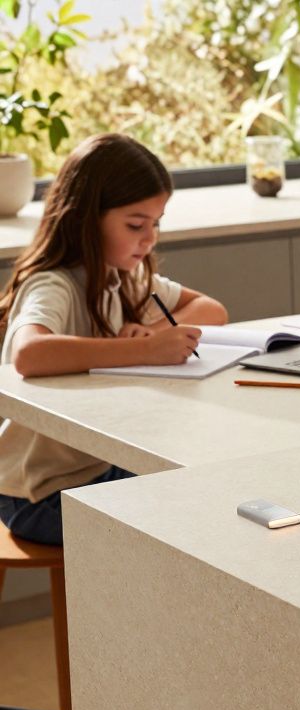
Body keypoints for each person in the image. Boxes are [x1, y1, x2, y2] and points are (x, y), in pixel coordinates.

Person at [0, 133, 229, 545]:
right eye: (136, 225)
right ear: (86, 218)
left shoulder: (120, 277)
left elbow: (212, 310)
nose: (150, 238)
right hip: (37, 494)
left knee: (209, 489)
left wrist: (155, 333)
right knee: (182, 524)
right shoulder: (54, 284)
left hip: (98, 468)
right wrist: (142, 349)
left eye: (156, 223)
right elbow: (29, 353)